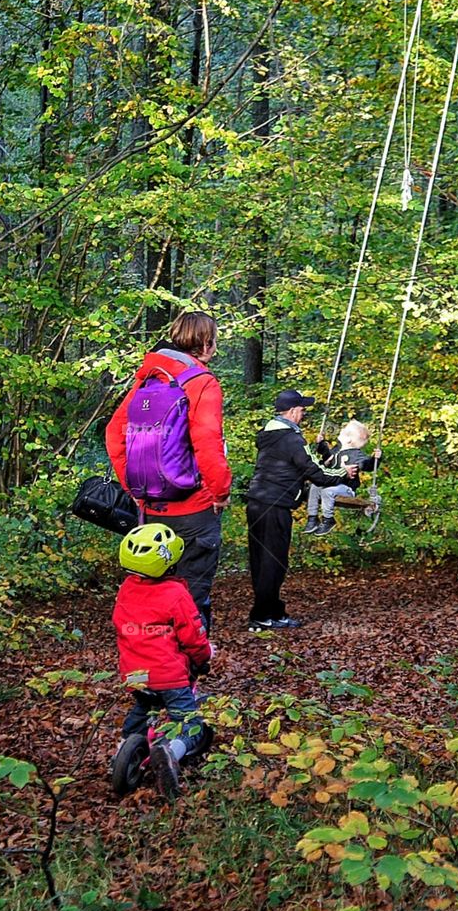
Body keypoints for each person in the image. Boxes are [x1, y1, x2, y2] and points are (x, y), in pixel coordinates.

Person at [106, 311, 231, 632]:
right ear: (206, 343)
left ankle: (153, 663)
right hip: (194, 508)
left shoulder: (148, 379)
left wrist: (134, 489)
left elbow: (114, 434)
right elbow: (207, 441)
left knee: (156, 589)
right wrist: (220, 492)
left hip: (152, 509)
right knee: (192, 595)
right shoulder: (202, 383)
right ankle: (185, 672)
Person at [113, 522, 213, 798]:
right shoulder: (175, 593)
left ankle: (123, 750)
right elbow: (193, 635)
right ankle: (169, 752)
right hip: (169, 676)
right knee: (189, 723)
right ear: (170, 563)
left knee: (142, 707)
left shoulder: (126, 590)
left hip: (135, 673)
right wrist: (203, 658)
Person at [245, 389, 358, 631]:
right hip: (274, 505)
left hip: (258, 502)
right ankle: (263, 615)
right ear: (294, 411)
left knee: (263, 560)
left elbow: (293, 468)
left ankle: (272, 612)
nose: (304, 414)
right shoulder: (291, 438)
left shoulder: (269, 435)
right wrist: (343, 474)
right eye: (303, 410)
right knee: (273, 562)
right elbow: (314, 472)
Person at [305, 419, 381, 536]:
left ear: (349, 440)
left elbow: (366, 465)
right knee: (315, 487)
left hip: (346, 488)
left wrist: (375, 459)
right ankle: (312, 517)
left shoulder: (356, 454)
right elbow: (326, 457)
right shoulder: (337, 450)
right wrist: (321, 444)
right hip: (332, 485)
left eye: (344, 431)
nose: (340, 431)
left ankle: (328, 519)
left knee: (327, 491)